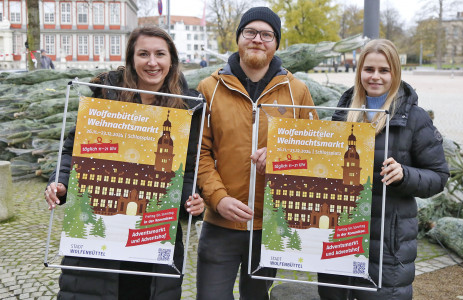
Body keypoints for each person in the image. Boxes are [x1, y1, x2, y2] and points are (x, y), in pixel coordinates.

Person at [43, 26, 205, 299]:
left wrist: (192, 199)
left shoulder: (186, 108)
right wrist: (60, 181)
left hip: (153, 241)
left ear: (171, 61)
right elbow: (73, 152)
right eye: (143, 54)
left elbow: (188, 171)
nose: (152, 62)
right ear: (131, 59)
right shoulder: (107, 97)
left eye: (159, 54)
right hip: (99, 248)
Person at [195, 6, 318, 300]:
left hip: (270, 224)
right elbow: (198, 152)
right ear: (239, 38)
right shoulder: (209, 88)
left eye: (267, 34)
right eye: (250, 32)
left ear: (276, 43)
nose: (257, 40)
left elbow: (315, 150)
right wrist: (218, 198)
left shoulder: (296, 91)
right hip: (220, 223)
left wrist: (282, 156)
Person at [317, 39, 449, 300]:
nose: (375, 77)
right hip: (341, 237)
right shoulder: (343, 113)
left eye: (384, 70)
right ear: (359, 73)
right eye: (369, 69)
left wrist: (405, 175)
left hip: (388, 245)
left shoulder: (414, 117)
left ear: (395, 73)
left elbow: (439, 176)